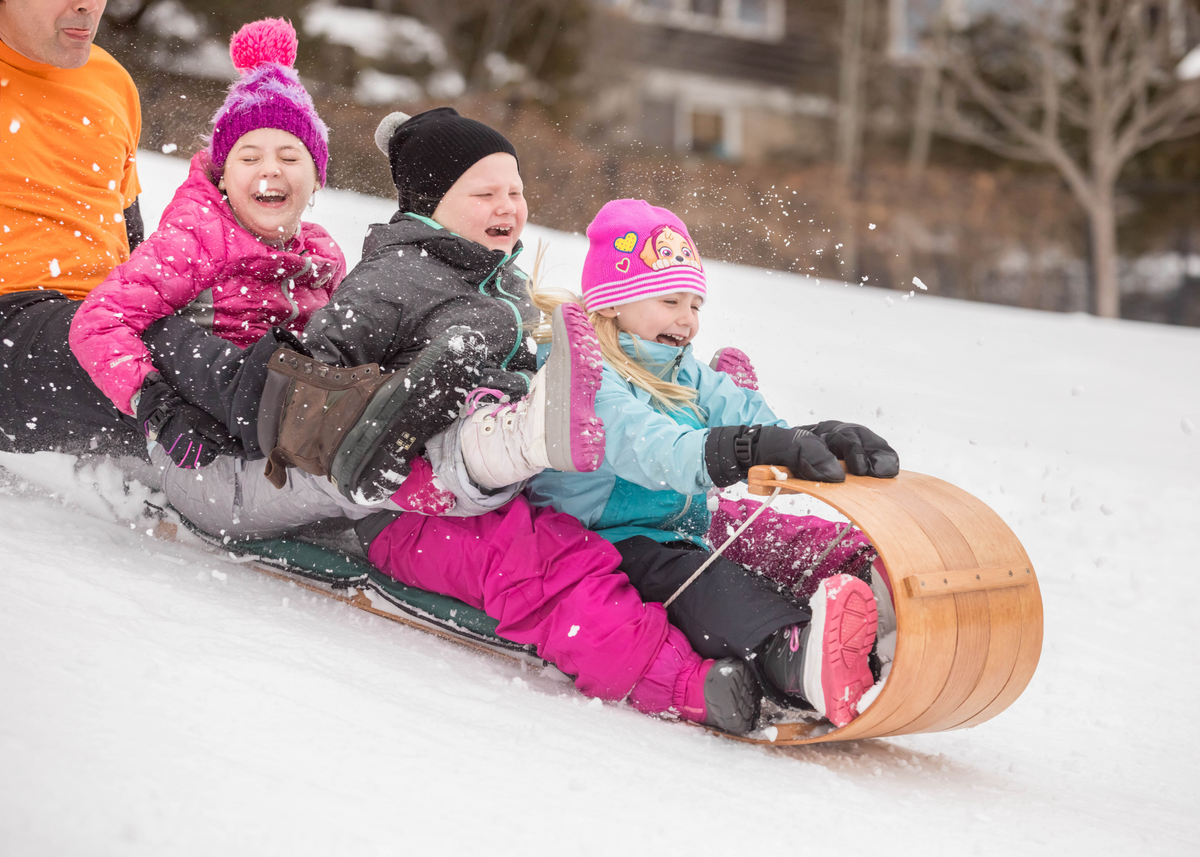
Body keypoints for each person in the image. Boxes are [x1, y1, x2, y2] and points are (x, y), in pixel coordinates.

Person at [524, 199, 900, 727]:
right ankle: (791, 655)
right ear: (612, 303)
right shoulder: (584, 374)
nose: (688, 320)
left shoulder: (684, 371)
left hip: (674, 528)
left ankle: (872, 603)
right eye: (671, 300)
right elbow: (650, 448)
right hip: (598, 539)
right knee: (706, 581)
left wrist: (815, 440)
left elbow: (752, 418)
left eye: (696, 304)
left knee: (742, 547)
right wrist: (742, 448)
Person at [0, 0, 146, 453]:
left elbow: (132, 232)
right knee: (179, 361)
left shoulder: (112, 81)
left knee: (243, 319)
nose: (86, 5)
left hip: (107, 316)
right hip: (13, 327)